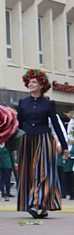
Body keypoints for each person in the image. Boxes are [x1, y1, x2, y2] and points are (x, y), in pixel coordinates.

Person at [16, 69, 69, 219]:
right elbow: (19, 124)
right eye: (30, 82)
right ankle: (43, 207)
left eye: (34, 82)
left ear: (41, 85)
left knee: (43, 171)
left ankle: (35, 203)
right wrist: (12, 141)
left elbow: (56, 125)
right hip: (26, 139)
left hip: (43, 139)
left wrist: (64, 146)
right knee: (29, 172)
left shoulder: (48, 104)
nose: (31, 84)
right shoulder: (23, 102)